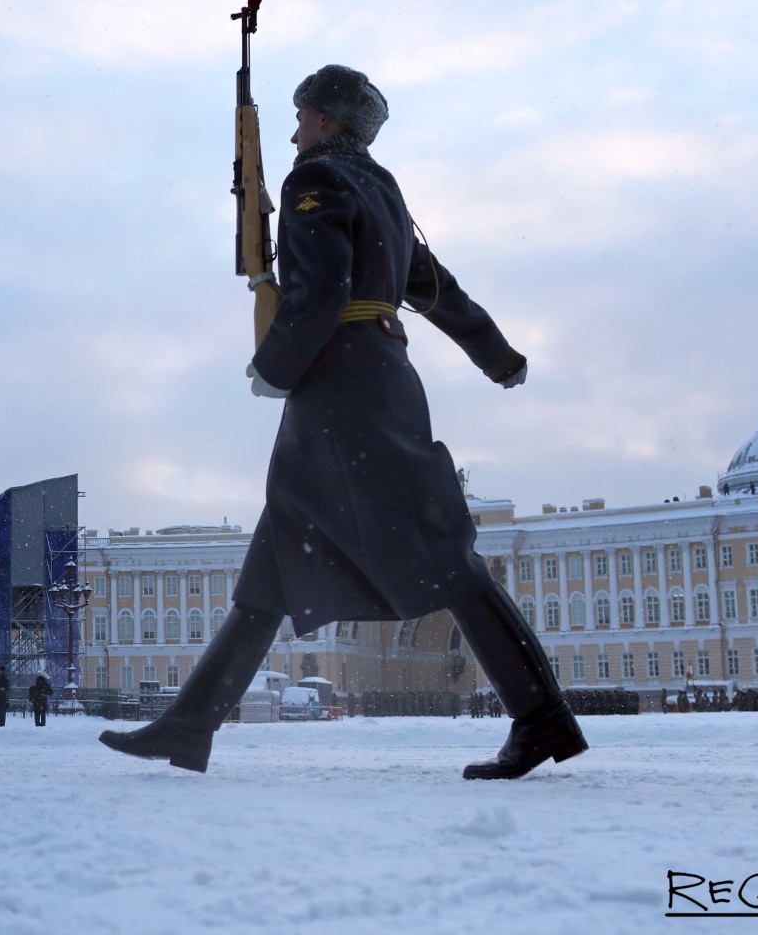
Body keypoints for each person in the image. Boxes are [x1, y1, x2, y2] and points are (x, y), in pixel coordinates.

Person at [100, 65, 587, 780]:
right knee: (274, 560)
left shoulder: (313, 182)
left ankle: (541, 716)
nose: (294, 132)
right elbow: (432, 286)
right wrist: (495, 353)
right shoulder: (380, 189)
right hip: (376, 381)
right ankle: (190, 723)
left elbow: (323, 289)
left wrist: (275, 365)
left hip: (340, 389)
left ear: (326, 121)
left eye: (302, 118)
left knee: (444, 556)